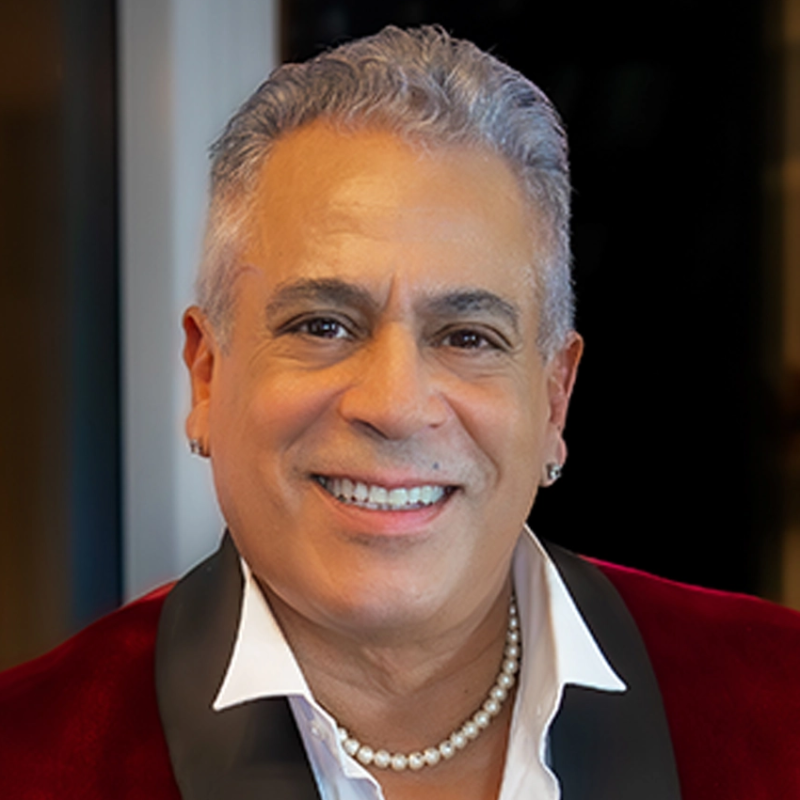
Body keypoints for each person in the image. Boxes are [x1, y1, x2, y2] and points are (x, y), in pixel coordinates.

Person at [1, 25, 799, 800]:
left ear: (555, 398)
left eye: (466, 336)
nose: (394, 406)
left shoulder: (779, 700)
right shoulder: (24, 757)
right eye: (322, 325)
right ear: (207, 377)